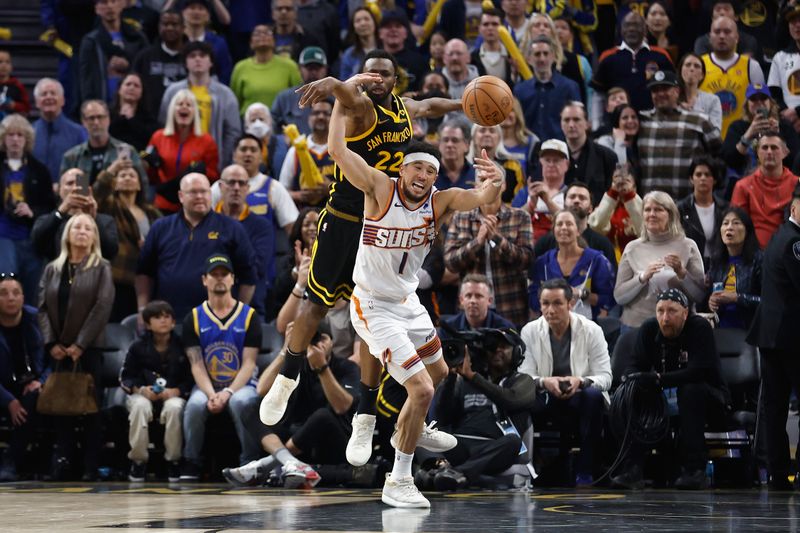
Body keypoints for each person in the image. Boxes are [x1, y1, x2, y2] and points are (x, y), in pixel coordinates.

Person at [259, 51, 463, 472]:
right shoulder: (359, 104)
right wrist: (338, 79)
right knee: (314, 306)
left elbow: (431, 106)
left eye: (383, 73)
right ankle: (288, 376)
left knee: (370, 323)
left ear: (395, 79)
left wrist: (465, 103)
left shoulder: (404, 108)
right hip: (344, 218)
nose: (375, 79)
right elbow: (340, 92)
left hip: (380, 225)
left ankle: (366, 414)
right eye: (369, 72)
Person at [327, 95, 508, 507]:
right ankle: (399, 479)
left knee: (439, 372)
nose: (423, 175)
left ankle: (409, 425)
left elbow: (483, 198)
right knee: (422, 389)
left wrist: (495, 178)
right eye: (416, 167)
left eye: (430, 170)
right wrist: (342, 99)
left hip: (408, 302)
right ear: (401, 169)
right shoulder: (379, 187)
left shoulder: (439, 202)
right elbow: (338, 149)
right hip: (372, 304)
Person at [612, 289, 728, 490]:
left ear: (685, 313)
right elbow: (633, 366)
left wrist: (658, 379)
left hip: (710, 398)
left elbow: (698, 372)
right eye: (660, 311)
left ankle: (695, 470)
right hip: (668, 397)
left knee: (690, 389)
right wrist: (635, 379)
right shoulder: (649, 328)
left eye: (672, 311)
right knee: (634, 391)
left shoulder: (699, 327)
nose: (665, 318)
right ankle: (632, 469)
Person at [223, 320, 359, 488]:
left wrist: (322, 368)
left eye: (323, 339)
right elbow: (262, 390)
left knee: (322, 416)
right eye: (312, 339)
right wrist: (286, 351)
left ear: (332, 341)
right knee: (250, 407)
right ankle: (289, 462)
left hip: (332, 440)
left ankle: (268, 464)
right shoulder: (296, 364)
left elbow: (342, 406)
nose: (318, 343)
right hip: (296, 438)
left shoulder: (347, 366)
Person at [38, 213, 114, 481]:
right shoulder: (52, 268)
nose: (82, 231)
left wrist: (80, 344)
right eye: (77, 227)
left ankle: (90, 466)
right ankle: (63, 462)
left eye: (88, 228)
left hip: (89, 349)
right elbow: (42, 307)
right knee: (61, 408)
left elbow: (102, 306)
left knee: (90, 409)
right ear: (67, 234)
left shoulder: (102, 267)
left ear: (94, 236)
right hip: (57, 348)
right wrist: (51, 343)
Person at [520, 278, 612, 485]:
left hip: (580, 396)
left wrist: (580, 381)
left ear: (570, 304)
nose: (550, 310)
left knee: (593, 396)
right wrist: (545, 382)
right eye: (545, 303)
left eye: (557, 303)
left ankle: (585, 470)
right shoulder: (529, 331)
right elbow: (524, 376)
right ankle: (527, 469)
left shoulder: (592, 330)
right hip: (546, 395)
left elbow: (606, 377)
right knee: (520, 400)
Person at [179, 253, 262, 480]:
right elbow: (196, 364)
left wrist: (227, 392)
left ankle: (249, 462)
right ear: (204, 280)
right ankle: (191, 462)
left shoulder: (249, 316)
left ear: (233, 279)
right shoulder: (193, 318)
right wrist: (211, 394)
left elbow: (249, 363)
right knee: (195, 405)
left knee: (242, 401)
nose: (219, 278)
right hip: (207, 384)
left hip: (240, 384)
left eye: (224, 274)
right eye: (213, 274)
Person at [136, 172, 256, 321]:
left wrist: (238, 314)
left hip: (217, 319)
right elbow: (144, 273)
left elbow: (248, 277)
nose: (199, 196)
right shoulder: (161, 227)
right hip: (167, 318)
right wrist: (143, 309)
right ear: (181, 196)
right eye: (193, 192)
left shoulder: (232, 228)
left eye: (204, 191)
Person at [429, 328, 535, 490]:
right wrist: (450, 377)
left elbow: (511, 400)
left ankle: (456, 474)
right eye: (493, 346)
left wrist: (473, 377)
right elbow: (443, 416)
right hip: (462, 445)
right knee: (422, 431)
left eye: (504, 346)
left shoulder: (523, 381)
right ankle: (444, 473)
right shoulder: (463, 381)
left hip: (495, 449)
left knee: (513, 441)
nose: (497, 350)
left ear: (517, 352)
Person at [746, 191, 800, 490]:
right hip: (790, 337)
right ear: (794, 206)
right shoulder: (795, 241)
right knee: (777, 407)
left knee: (774, 407)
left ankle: (778, 473)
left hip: (772, 335)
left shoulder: (781, 235)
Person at [444, 163, 534, 328]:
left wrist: (497, 239)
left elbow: (526, 260)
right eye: (482, 179)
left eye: (492, 179)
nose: (487, 184)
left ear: (504, 185)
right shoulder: (460, 217)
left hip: (511, 307)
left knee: (509, 353)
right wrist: (477, 242)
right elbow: (451, 262)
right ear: (476, 185)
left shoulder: (521, 217)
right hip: (471, 312)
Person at [120, 300, 191, 482]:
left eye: (167, 317)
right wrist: (142, 390)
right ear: (147, 323)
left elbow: (191, 379)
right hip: (142, 393)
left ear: (174, 322)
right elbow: (126, 377)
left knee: (175, 408)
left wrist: (176, 391)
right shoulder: (137, 346)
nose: (163, 321)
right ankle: (138, 461)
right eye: (157, 317)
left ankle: (173, 461)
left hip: (174, 394)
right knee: (140, 407)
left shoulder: (183, 345)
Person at [614, 191, 706, 329]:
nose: (652, 214)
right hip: (636, 327)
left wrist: (681, 272)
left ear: (671, 215)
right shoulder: (632, 248)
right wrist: (642, 277)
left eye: (658, 209)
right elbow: (619, 297)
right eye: (647, 210)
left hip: (678, 328)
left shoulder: (688, 246)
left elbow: (700, 295)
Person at [93, 159, 160, 321]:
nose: (128, 178)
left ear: (139, 185)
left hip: (146, 276)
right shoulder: (110, 206)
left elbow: (163, 237)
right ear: (114, 184)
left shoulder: (151, 212)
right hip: (119, 275)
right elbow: (96, 193)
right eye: (122, 176)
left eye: (132, 175)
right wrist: (111, 169)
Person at [637, 71, 722, 199]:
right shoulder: (640, 121)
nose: (660, 94)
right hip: (649, 206)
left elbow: (720, 153)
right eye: (655, 90)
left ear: (677, 91)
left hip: (686, 203)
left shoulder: (698, 120)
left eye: (665, 89)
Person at [0, 114, 56, 304]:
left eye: (20, 135)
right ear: (3, 139)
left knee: (32, 294)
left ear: (27, 140)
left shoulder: (40, 170)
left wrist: (32, 211)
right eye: (10, 135)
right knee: (7, 288)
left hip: (31, 239)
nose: (15, 140)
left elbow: (50, 206)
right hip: (3, 236)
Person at [159, 41, 241, 167]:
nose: (197, 59)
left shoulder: (226, 94)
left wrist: (223, 163)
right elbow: (165, 124)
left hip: (212, 161)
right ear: (185, 62)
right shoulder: (173, 92)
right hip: (176, 160)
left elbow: (233, 133)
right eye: (192, 56)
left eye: (202, 56)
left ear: (211, 62)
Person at [0, 274, 48, 481]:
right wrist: (9, 401)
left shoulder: (37, 319)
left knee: (33, 397)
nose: (10, 298)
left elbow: (54, 358)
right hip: (3, 390)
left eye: (15, 293)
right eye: (3, 293)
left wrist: (42, 381)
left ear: (23, 297)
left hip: (31, 385)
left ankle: (11, 460)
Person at [529, 210, 616, 321]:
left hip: (587, 328)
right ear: (554, 231)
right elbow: (533, 299)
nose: (564, 227)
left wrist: (581, 294)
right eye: (559, 224)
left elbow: (608, 298)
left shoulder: (596, 260)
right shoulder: (543, 263)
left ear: (578, 231)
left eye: (569, 224)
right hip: (551, 326)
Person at [213, 164, 273, 318]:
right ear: (220, 186)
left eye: (242, 183)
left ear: (248, 188)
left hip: (251, 307)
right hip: (210, 305)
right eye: (231, 182)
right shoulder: (207, 223)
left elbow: (257, 267)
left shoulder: (262, 226)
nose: (236, 188)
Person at [147, 89, 219, 213]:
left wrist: (203, 171)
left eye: (189, 104)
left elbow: (214, 177)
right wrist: (150, 164)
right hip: (164, 203)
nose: (184, 107)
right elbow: (150, 177)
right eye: (180, 104)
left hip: (194, 204)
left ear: (195, 112)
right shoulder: (158, 137)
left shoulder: (207, 141)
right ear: (172, 110)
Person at [31, 168, 119, 262]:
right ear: (60, 191)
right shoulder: (47, 220)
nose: (75, 188)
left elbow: (111, 251)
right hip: (58, 274)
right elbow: (37, 244)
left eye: (80, 183)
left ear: (88, 189)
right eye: (70, 183)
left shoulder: (106, 221)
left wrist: (93, 218)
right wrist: (61, 211)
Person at [592, 12, 674, 112]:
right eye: (627, 25)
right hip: (618, 121)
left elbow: (673, 87)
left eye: (636, 25)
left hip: (653, 119)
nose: (631, 29)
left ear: (645, 29)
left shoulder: (661, 55)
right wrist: (597, 123)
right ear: (621, 29)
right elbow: (599, 95)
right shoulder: (608, 57)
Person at [699, 15, 765, 139]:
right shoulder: (698, 65)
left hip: (742, 140)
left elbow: (762, 106)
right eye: (717, 32)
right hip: (706, 140)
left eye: (727, 32)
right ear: (710, 37)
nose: (722, 36)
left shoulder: (752, 66)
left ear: (737, 37)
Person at [731, 133, 800, 248]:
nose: (769, 152)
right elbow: (737, 226)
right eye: (764, 147)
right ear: (757, 153)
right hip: (753, 256)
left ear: (785, 152)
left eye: (774, 147)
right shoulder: (743, 186)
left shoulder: (797, 184)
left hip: (791, 253)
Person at [532, 181, 617, 269]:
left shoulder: (603, 244)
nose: (576, 200)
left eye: (582, 198)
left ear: (590, 209)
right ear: (564, 204)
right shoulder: (545, 242)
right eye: (572, 197)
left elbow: (611, 278)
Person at [77, 0, 149, 104]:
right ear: (96, 8)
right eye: (104, 2)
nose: (110, 6)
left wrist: (129, 66)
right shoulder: (91, 41)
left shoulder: (138, 38)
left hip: (135, 106)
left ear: (122, 4)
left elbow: (147, 70)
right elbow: (86, 81)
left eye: (113, 1)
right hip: (103, 105)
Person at [60, 100, 145, 185]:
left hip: (119, 198)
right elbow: (74, 192)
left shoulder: (127, 152)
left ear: (108, 119)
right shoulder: (73, 157)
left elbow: (143, 187)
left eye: (100, 117)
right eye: (91, 118)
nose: (96, 122)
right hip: (84, 197)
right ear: (83, 122)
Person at [721, 85, 799, 178]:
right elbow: (729, 160)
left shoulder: (784, 126)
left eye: (763, 98)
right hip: (746, 180)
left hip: (779, 180)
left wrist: (778, 136)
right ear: (747, 104)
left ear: (771, 102)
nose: (759, 103)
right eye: (753, 99)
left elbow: (794, 160)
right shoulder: (737, 127)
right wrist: (748, 135)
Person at [704, 207, 762, 329]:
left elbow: (768, 301)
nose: (729, 227)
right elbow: (712, 294)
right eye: (725, 223)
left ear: (747, 230)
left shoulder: (759, 260)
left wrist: (737, 298)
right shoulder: (716, 261)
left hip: (750, 329)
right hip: (721, 328)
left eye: (736, 223)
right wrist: (712, 302)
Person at [514, 35, 581, 142]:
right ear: (529, 59)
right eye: (537, 54)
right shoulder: (520, 90)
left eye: (546, 54)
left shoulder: (569, 87)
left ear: (554, 57)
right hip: (530, 150)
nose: (542, 58)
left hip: (561, 149)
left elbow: (578, 121)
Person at [231, 25, 302, 113]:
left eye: (267, 33)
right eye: (257, 33)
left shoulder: (289, 66)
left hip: (281, 122)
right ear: (251, 43)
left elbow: (298, 97)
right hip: (249, 122)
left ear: (274, 41)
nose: (262, 36)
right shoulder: (240, 68)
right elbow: (235, 102)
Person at [559, 101, 618, 206]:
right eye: (566, 120)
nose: (571, 125)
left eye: (576, 119)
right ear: (561, 124)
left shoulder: (607, 156)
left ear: (587, 123)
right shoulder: (553, 157)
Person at [278, 99, 334, 208]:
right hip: (304, 217)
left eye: (326, 114)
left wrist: (331, 189)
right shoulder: (294, 151)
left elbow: (354, 190)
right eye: (316, 113)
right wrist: (299, 195)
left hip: (335, 216)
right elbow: (281, 191)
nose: (321, 117)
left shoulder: (342, 149)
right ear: (309, 118)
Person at [31, 78, 87, 184]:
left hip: (71, 196)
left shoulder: (79, 133)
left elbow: (84, 168)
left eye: (53, 93)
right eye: (44, 94)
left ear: (63, 100)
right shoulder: (29, 132)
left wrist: (82, 196)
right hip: (35, 197)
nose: (49, 97)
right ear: (37, 102)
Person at [131, 9, 186, 117]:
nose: (169, 28)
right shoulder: (144, 56)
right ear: (159, 27)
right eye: (165, 24)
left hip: (185, 117)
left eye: (174, 24)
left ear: (183, 28)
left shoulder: (192, 56)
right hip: (151, 120)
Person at [677, 156, 728, 267]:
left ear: (714, 179)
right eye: (698, 174)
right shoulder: (680, 209)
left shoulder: (725, 209)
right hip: (689, 266)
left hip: (719, 266)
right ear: (691, 179)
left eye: (707, 174)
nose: (703, 178)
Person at [271, 46, 329, 137]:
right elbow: (273, 125)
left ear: (325, 69)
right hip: (292, 148)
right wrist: (282, 138)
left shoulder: (335, 97)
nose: (313, 72)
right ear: (299, 69)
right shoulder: (284, 98)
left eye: (317, 68)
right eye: (309, 68)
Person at [588, 166, 643, 261]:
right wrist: (612, 194)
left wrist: (629, 195)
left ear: (635, 187)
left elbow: (646, 231)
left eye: (626, 181)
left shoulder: (645, 208)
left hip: (637, 261)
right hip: (608, 261)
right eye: (616, 180)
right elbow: (596, 227)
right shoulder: (603, 208)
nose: (621, 184)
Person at [466, 124, 525, 204]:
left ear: (499, 138)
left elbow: (518, 201)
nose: (487, 134)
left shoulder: (512, 167)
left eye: (492, 131)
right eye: (482, 130)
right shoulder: (463, 166)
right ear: (473, 137)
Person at [180, 0, 232, 84]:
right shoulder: (176, 40)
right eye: (192, 8)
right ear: (183, 13)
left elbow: (225, 74)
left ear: (208, 16)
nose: (196, 12)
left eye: (201, 9)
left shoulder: (218, 43)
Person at [440, 274, 515, 333]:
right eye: (468, 296)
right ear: (461, 300)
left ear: (490, 301)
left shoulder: (505, 328)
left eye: (478, 296)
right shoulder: (448, 328)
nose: (473, 301)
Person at [109, 73, 159, 152]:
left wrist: (132, 119)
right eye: (128, 84)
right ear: (119, 89)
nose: (132, 88)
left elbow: (152, 137)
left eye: (136, 86)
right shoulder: (107, 114)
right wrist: (121, 118)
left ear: (141, 92)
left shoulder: (147, 117)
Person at [677, 53, 723, 133]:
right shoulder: (670, 99)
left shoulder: (712, 100)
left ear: (702, 75)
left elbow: (715, 132)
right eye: (688, 65)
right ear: (681, 71)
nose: (692, 69)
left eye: (697, 66)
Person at [242, 103, 288, 181]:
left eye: (261, 119)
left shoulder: (284, 141)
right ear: (247, 125)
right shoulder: (242, 146)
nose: (257, 124)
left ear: (269, 121)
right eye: (253, 120)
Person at [595, 104, 641, 179]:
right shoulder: (605, 142)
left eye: (633, 117)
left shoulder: (640, 142)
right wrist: (620, 142)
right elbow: (620, 174)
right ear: (617, 122)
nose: (630, 121)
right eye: (625, 118)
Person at [435, 119, 475, 191]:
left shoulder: (477, 175)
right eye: (445, 140)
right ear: (439, 144)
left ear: (467, 145)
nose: (449, 145)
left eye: (455, 140)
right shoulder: (430, 173)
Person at [339, 7, 378, 81]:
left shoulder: (386, 49)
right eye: (358, 21)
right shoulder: (348, 55)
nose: (363, 23)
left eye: (366, 19)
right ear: (353, 27)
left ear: (374, 23)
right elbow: (343, 83)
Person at [0, 49, 31, 119]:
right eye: (0, 62)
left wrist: (14, 105)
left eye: (7, 62)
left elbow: (27, 109)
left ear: (11, 67)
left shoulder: (17, 86)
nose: (3, 65)